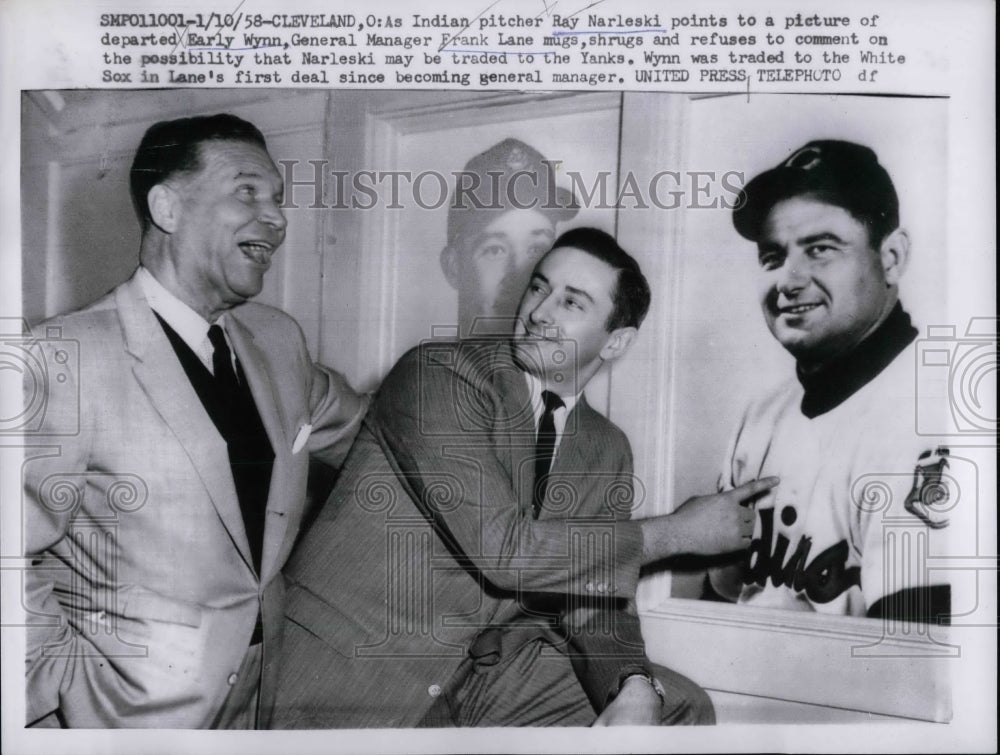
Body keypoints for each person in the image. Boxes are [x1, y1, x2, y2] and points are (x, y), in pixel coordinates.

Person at [273, 228, 776, 727]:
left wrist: (633, 684)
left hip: (481, 678)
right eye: (539, 287)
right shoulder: (442, 373)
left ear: (616, 341)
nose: (539, 311)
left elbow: (592, 592)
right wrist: (678, 532)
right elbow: (504, 551)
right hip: (359, 661)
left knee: (679, 708)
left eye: (572, 302)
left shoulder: (605, 445)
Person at [22, 114, 368, 728]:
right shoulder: (64, 356)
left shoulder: (279, 340)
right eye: (247, 192)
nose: (279, 218)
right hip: (118, 720)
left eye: (279, 200)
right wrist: (64, 682)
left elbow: (378, 439)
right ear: (167, 208)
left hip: (258, 706)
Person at [707, 140, 952, 621]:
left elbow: (911, 667)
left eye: (820, 249)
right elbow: (717, 605)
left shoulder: (934, 412)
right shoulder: (761, 414)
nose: (788, 280)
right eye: (772, 257)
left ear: (892, 257)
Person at [440, 138, 578, 336]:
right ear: (453, 267)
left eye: (536, 249)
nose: (521, 277)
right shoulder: (424, 367)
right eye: (495, 250)